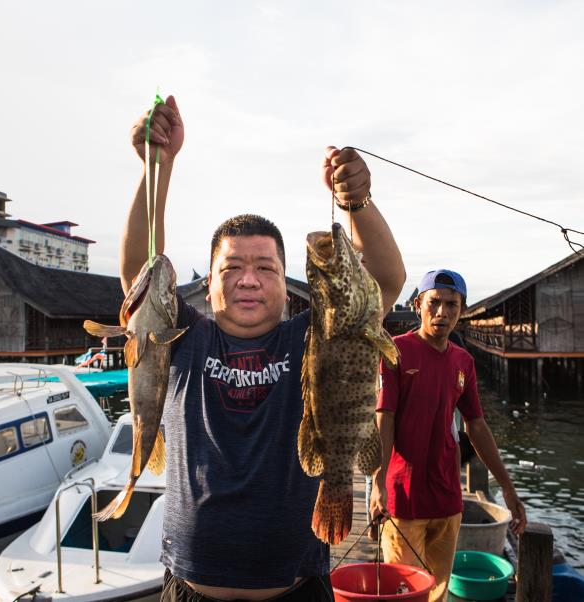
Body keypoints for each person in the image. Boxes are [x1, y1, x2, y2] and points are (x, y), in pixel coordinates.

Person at [120, 95, 406, 602]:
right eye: (231, 268)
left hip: (297, 588)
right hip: (190, 589)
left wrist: (357, 204)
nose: (248, 280)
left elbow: (384, 278)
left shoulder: (312, 337)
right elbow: (141, 272)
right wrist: (155, 168)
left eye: (266, 267)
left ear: (284, 281)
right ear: (207, 284)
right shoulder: (183, 337)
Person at [371, 269, 527, 602]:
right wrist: (378, 482)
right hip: (403, 497)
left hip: (447, 497)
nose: (442, 312)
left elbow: (477, 425)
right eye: (435, 303)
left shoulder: (464, 361)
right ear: (418, 305)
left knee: (438, 591)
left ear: (462, 309)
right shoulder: (395, 352)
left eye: (452, 305)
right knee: (402, 593)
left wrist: (509, 490)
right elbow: (384, 418)